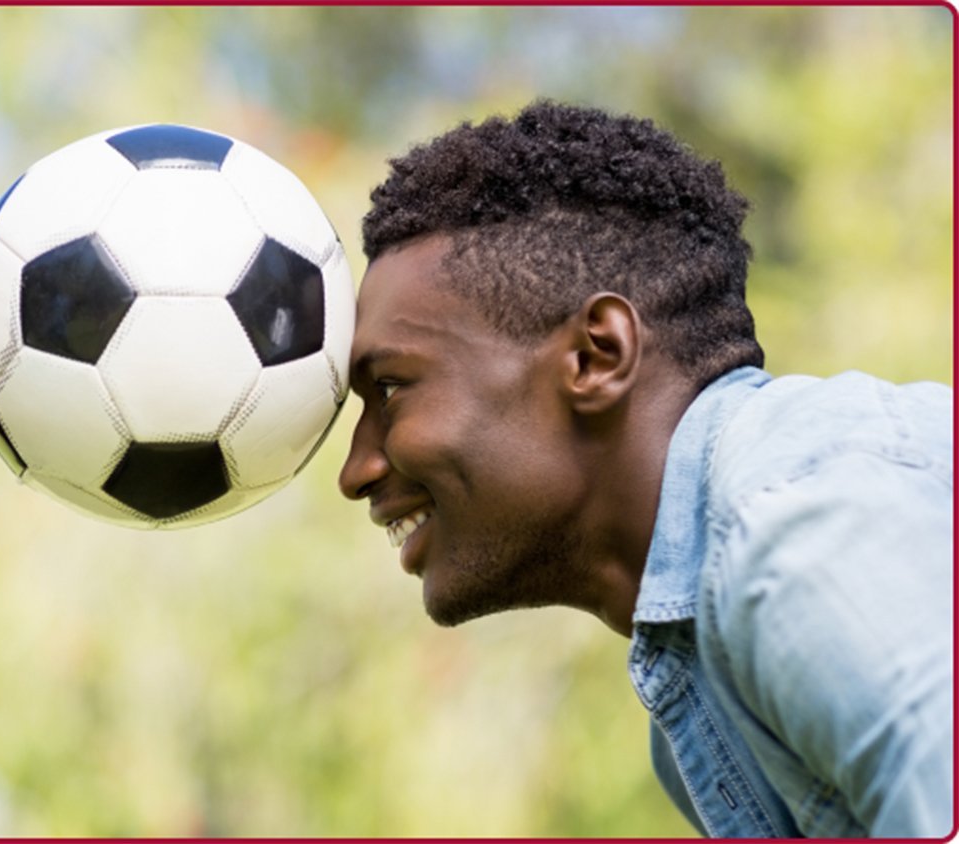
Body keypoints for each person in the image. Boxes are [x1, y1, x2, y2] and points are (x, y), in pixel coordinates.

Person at [339, 99, 952, 837]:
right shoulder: (691, 693)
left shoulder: (793, 539)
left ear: (596, 356)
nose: (356, 470)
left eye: (391, 389)